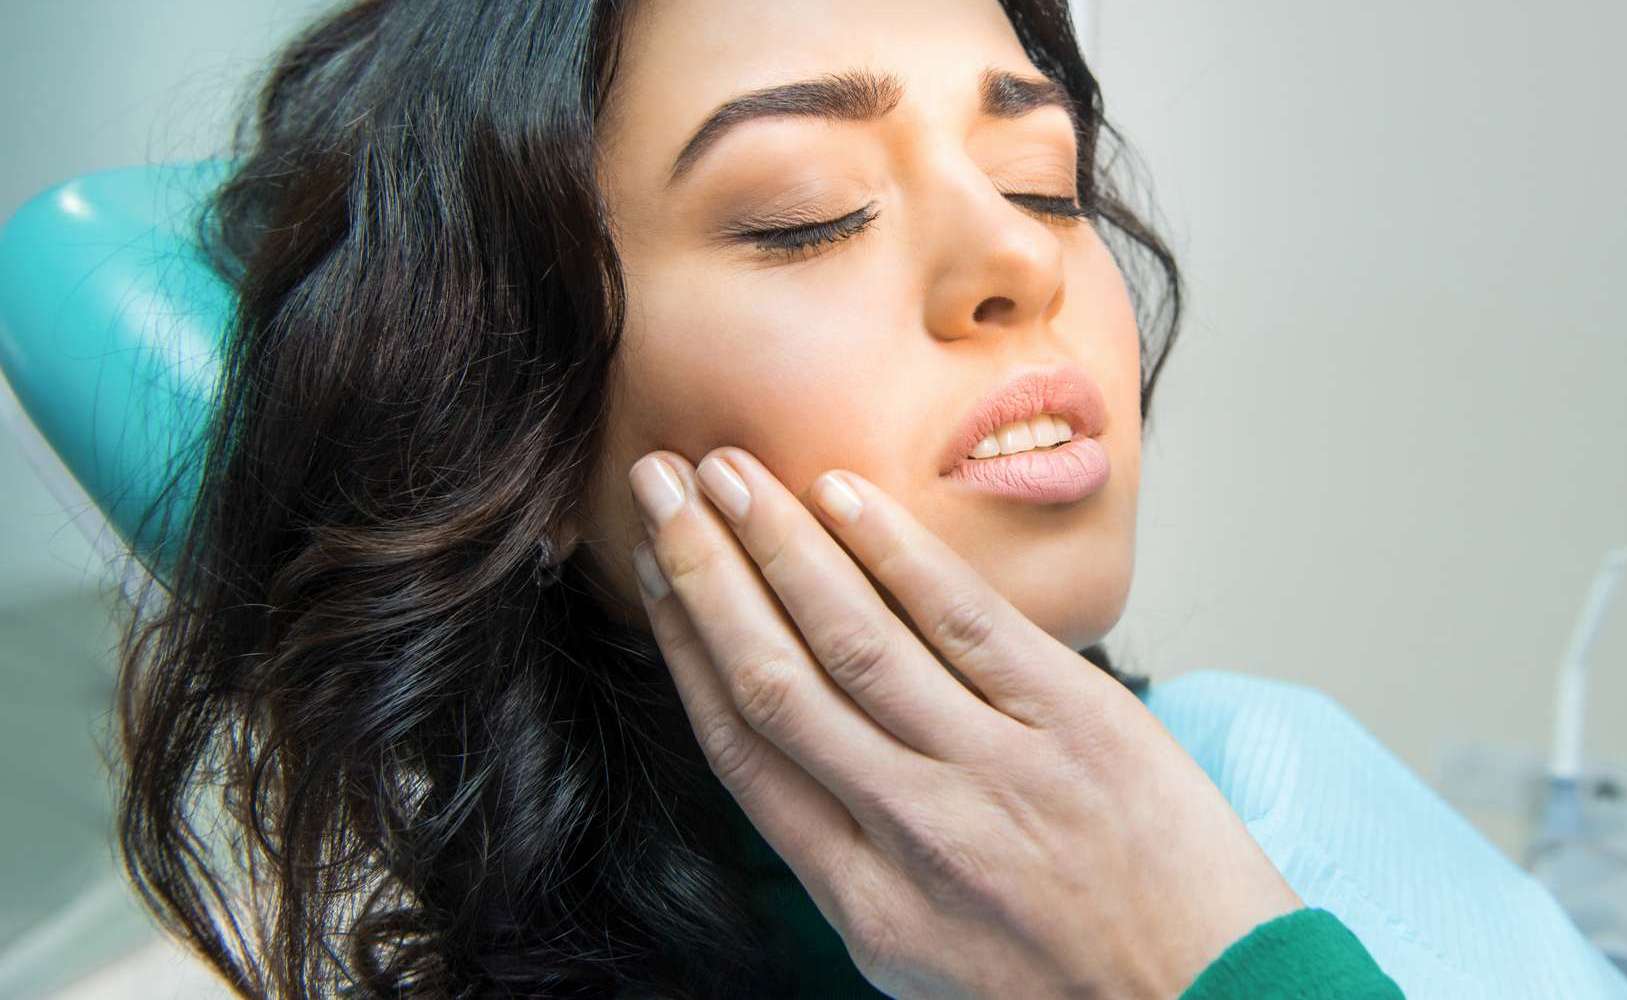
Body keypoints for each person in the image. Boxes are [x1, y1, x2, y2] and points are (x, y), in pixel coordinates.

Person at [114, 1, 1401, 996]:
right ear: (523, 437)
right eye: (808, 214)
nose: (1020, 255)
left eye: (1040, 182)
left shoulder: (1290, 769)